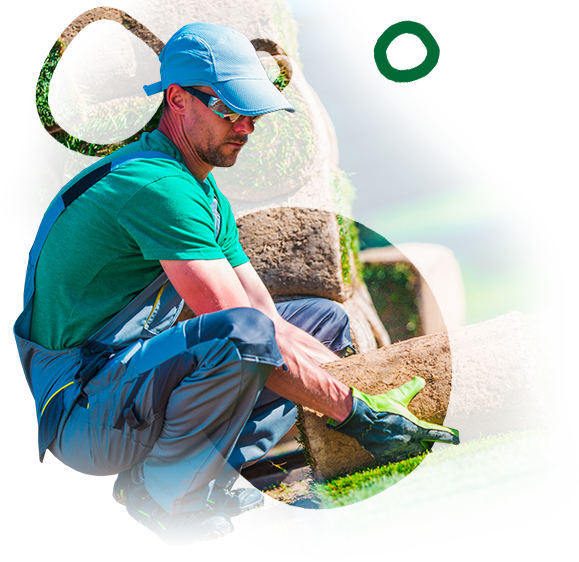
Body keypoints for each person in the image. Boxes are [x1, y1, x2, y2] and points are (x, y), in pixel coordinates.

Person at [14, 22, 459, 546]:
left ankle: (187, 476)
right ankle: (165, 495)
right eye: (230, 109)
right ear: (178, 100)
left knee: (326, 323)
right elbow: (246, 334)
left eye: (251, 110)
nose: (246, 126)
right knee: (243, 340)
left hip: (128, 382)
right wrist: (357, 413)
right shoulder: (156, 187)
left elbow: (268, 320)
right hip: (86, 412)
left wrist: (365, 386)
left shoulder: (201, 190)